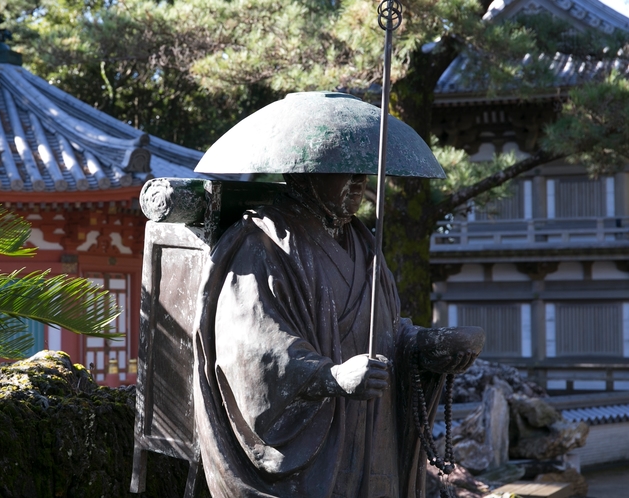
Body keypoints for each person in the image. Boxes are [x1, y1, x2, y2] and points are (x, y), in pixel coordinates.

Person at [192, 170, 484, 498]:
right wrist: (330, 378)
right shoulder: (262, 243)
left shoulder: (361, 241)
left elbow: (381, 327)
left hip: (373, 428)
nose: (359, 181)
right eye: (344, 171)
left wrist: (423, 344)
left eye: (363, 172)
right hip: (316, 441)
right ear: (303, 177)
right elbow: (250, 348)